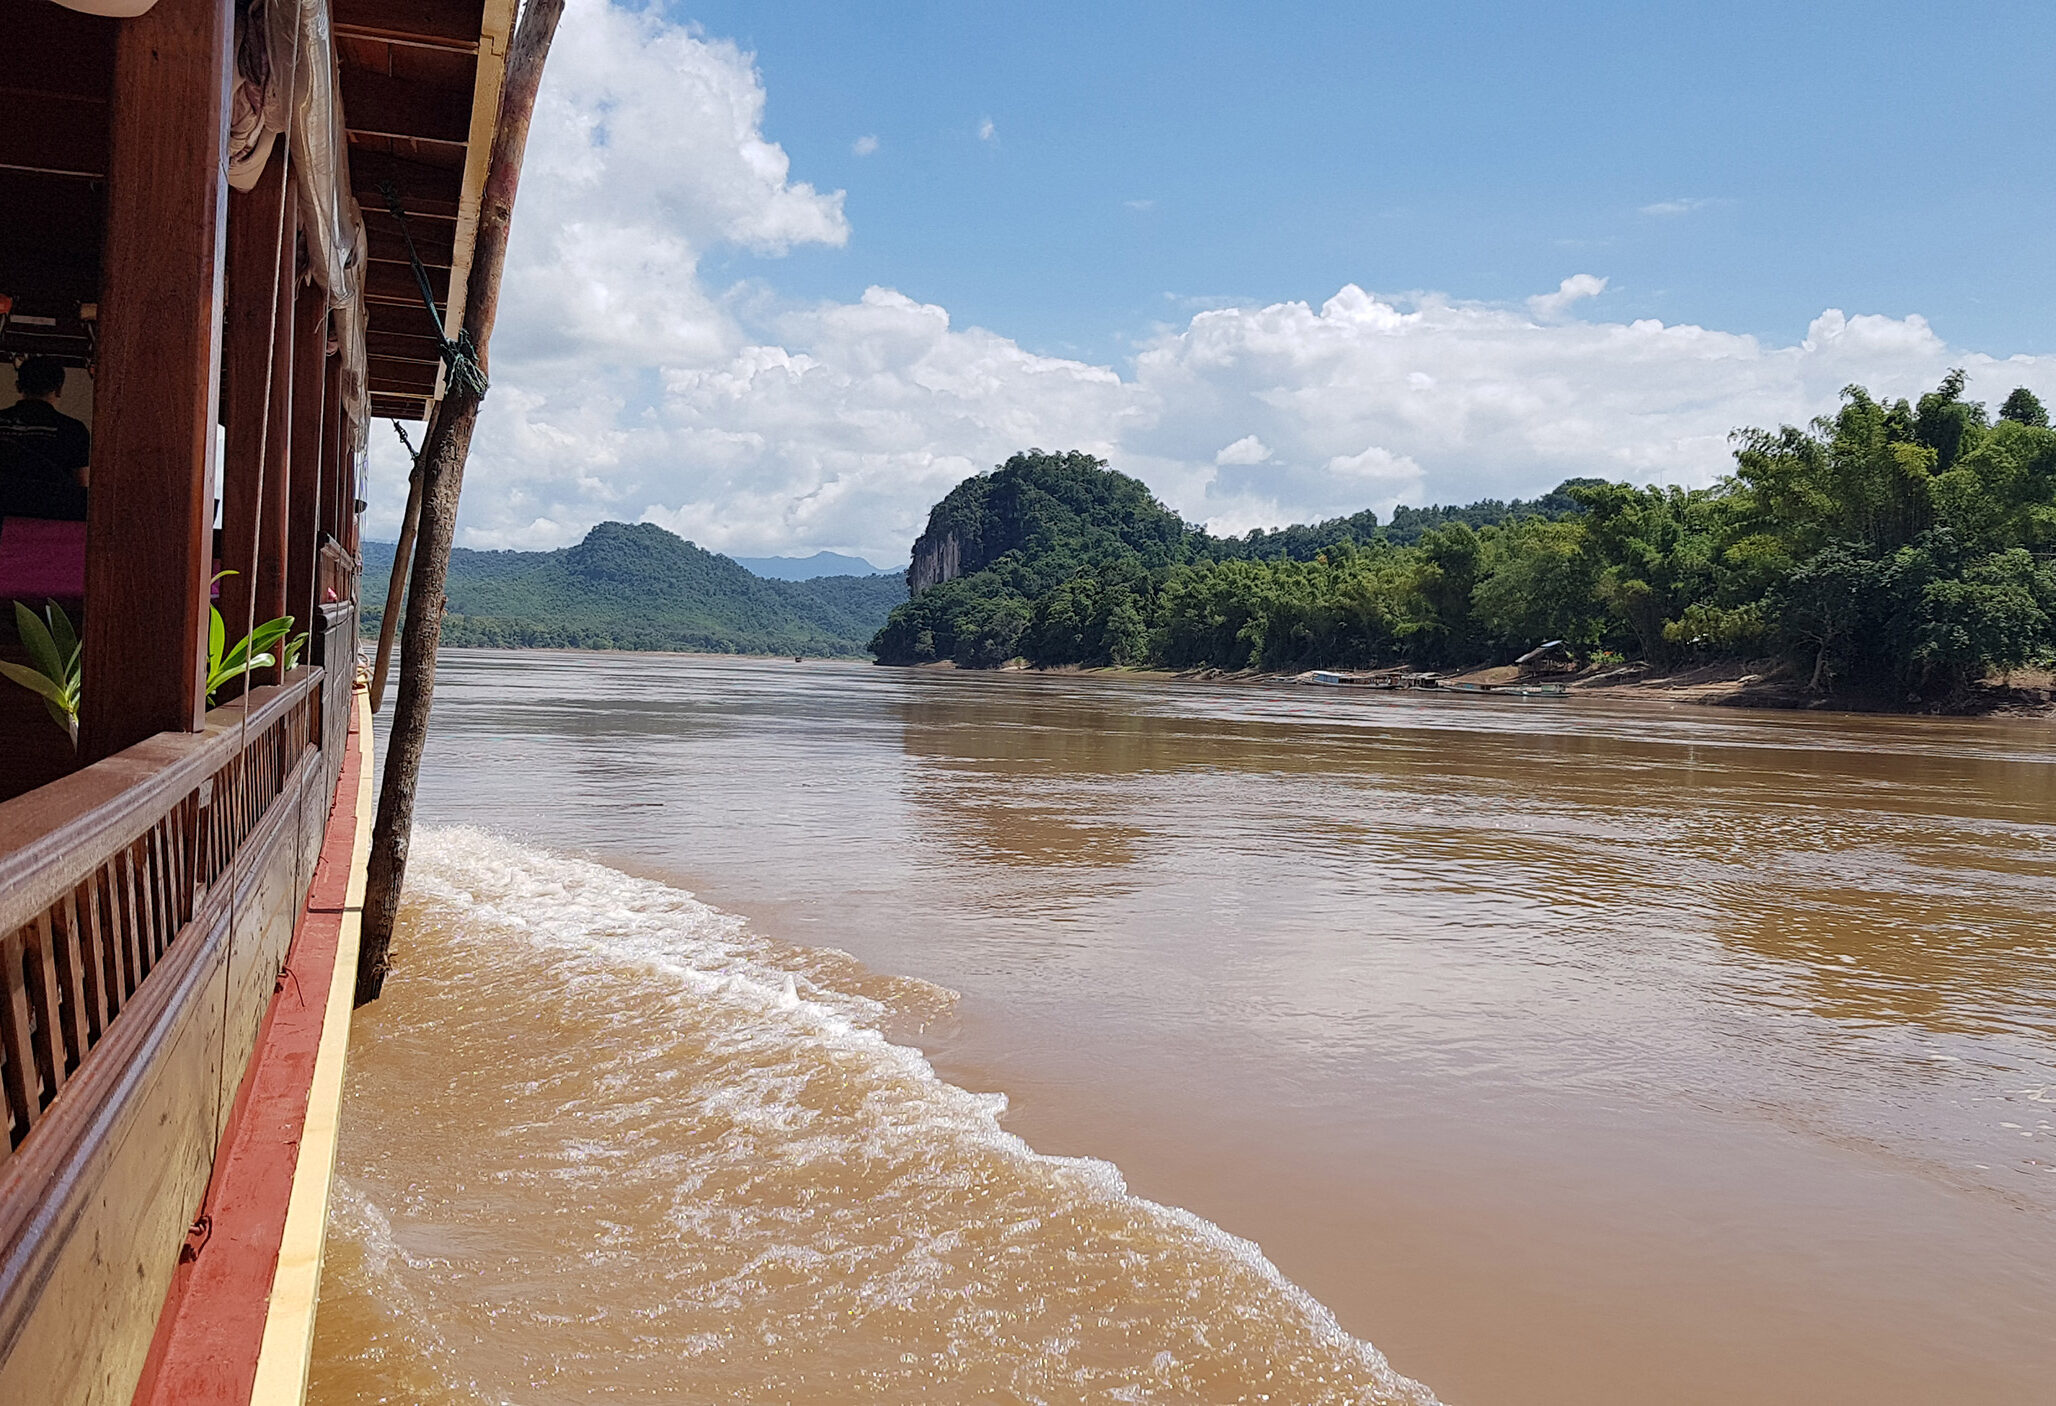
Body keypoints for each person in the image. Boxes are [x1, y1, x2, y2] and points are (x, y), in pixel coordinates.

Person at [0, 357, 91, 487]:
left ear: (18, 386)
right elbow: (81, 486)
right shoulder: (73, 430)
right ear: (59, 390)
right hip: (52, 505)